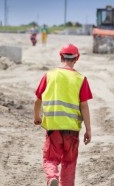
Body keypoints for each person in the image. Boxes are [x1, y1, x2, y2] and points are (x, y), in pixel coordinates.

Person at [33, 43, 93, 186]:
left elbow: (38, 100)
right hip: (71, 130)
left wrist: (37, 116)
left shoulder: (49, 75)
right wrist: (88, 130)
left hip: (53, 127)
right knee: (69, 162)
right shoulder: (81, 79)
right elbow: (84, 106)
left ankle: (52, 177)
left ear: (61, 57)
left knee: (50, 159)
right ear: (77, 58)